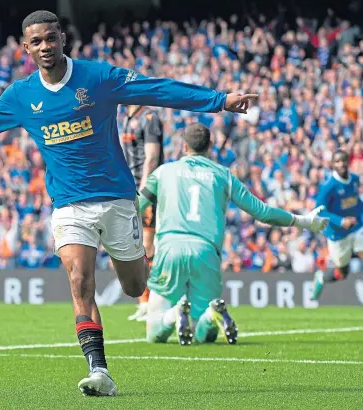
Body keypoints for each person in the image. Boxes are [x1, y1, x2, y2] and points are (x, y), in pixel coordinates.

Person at [0, 10, 259, 397]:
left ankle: (167, 309)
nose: (45, 47)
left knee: (135, 287)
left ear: (62, 39)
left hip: (118, 199)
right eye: (36, 42)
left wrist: (220, 100)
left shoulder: (99, 78)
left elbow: (158, 89)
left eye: (51, 38)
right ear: (26, 48)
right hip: (69, 205)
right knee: (78, 280)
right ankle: (99, 370)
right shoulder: (22, 96)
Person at [137, 123, 329, 346]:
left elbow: (136, 206)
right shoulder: (223, 176)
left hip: (169, 250)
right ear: (210, 146)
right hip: (206, 252)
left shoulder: (163, 172)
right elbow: (262, 212)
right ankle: (211, 315)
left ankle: (174, 314)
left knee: (154, 334)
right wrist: (304, 221)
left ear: (183, 146)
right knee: (202, 334)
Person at [120, 105, 163, 322]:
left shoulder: (149, 117)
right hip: (128, 187)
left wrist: (145, 189)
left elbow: (152, 157)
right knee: (134, 245)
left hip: (147, 189)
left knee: (147, 243)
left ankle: (154, 301)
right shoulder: (125, 116)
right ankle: (144, 303)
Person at [311, 150, 363, 300]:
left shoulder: (354, 179)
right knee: (342, 273)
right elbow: (319, 211)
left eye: (343, 160)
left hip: (357, 227)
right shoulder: (329, 186)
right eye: (337, 161)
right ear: (333, 164)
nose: (341, 164)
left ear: (348, 161)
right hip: (337, 234)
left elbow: (355, 201)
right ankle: (321, 278)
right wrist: (340, 221)